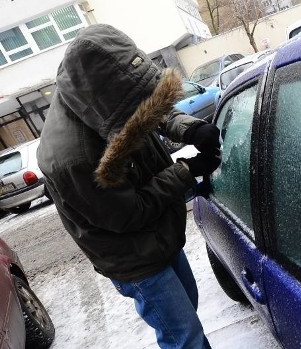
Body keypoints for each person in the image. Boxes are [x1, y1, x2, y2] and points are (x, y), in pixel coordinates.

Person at [37, 24, 220, 349]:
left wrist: (189, 129)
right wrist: (186, 171)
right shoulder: (71, 159)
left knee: (187, 313)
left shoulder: (99, 93)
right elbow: (129, 212)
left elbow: (146, 106)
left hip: (160, 233)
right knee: (186, 338)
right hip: (134, 257)